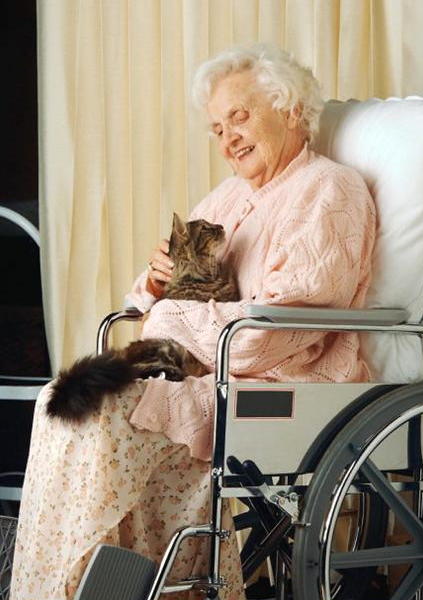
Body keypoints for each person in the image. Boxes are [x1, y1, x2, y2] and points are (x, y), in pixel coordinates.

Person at [10, 44, 376, 599]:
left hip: (278, 384)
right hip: (205, 376)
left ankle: (103, 581)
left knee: (108, 413)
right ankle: (75, 580)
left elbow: (263, 341)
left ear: (291, 108)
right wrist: (155, 285)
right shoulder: (229, 195)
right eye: (216, 128)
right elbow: (147, 310)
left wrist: (171, 311)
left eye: (240, 116)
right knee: (60, 401)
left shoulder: (330, 189)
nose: (227, 137)